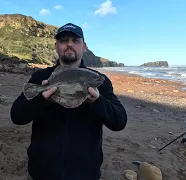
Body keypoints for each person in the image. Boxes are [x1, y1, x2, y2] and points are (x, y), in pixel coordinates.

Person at [10, 23, 127, 180]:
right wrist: (43, 100)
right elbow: (16, 116)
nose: (69, 44)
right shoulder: (41, 77)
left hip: (85, 173)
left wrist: (97, 102)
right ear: (56, 46)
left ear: (84, 46)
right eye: (64, 40)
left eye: (75, 40)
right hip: (41, 172)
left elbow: (119, 121)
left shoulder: (99, 80)